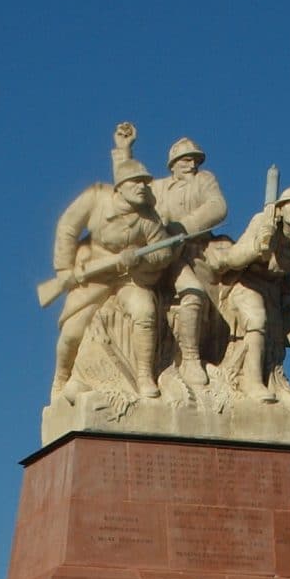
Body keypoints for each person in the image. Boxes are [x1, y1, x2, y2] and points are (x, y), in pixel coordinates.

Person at [48, 124, 182, 399]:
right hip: (93, 271)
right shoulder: (96, 198)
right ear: (120, 188)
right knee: (73, 331)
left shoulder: (148, 218)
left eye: (146, 182)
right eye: (136, 183)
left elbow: (163, 253)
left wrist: (138, 261)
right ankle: (61, 378)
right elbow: (67, 227)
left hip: (129, 276)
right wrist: (64, 269)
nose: (143, 187)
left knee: (144, 311)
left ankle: (144, 375)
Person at [205, 186, 290, 401]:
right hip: (246, 282)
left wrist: (288, 293)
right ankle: (251, 383)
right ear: (281, 208)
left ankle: (272, 381)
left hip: (273, 288)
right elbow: (233, 258)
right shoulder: (264, 221)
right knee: (256, 320)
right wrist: (258, 247)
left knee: (276, 338)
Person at [152, 137, 228, 387]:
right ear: (173, 163)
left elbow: (218, 208)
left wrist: (182, 228)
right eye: (186, 159)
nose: (192, 164)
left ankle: (193, 358)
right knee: (191, 293)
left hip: (198, 251)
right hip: (163, 257)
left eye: (195, 159)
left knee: (202, 297)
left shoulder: (204, 180)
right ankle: (185, 359)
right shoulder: (157, 187)